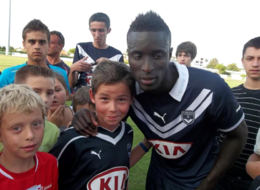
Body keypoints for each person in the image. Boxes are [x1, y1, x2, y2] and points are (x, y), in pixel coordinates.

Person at [71, 11, 248, 190]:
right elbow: (108, 120)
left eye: (157, 55)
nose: (147, 68)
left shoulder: (210, 88)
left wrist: (209, 183)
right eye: (138, 56)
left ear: (170, 53)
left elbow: (238, 135)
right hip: (157, 179)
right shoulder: (128, 88)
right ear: (129, 55)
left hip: (199, 181)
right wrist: (85, 115)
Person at [49, 61, 134, 190]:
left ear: (131, 99)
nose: (113, 108)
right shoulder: (72, 138)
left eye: (121, 99)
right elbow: (48, 179)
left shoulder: (127, 132)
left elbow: (121, 173)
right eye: (105, 98)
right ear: (92, 96)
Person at [217, 37, 260, 189]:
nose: (255, 64)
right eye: (250, 58)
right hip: (219, 177)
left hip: (252, 182)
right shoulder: (228, 95)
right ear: (243, 61)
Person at [0, 19, 69, 94]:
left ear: (48, 45)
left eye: (42, 42)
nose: (37, 46)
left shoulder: (61, 73)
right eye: (32, 42)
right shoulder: (8, 74)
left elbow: (64, 100)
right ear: (24, 44)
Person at [69, 12, 124, 91]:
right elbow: (72, 84)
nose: (97, 35)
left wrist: (109, 65)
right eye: (93, 30)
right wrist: (72, 69)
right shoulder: (81, 48)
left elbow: (120, 84)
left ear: (108, 30)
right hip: (82, 100)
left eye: (101, 30)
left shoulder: (117, 55)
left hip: (103, 99)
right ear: (89, 30)